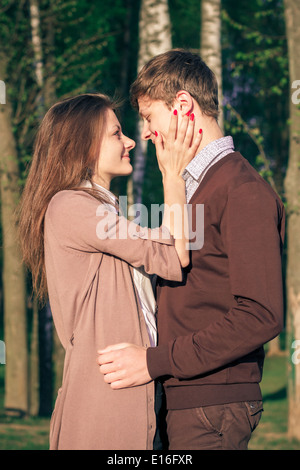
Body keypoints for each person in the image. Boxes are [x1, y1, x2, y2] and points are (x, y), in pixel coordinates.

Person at [97, 49, 286, 450]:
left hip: (212, 406)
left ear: (183, 106)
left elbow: (261, 314)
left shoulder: (242, 189)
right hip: (184, 399)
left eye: (149, 117)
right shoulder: (192, 188)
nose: (145, 133)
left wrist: (152, 362)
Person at [18, 92, 202, 450]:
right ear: (84, 147)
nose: (131, 141)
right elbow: (176, 251)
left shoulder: (101, 212)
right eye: (117, 133)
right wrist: (173, 174)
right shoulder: (70, 206)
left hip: (135, 398)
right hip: (105, 408)